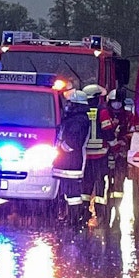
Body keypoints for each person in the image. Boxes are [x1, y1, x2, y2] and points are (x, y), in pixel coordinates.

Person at [54, 89, 93, 223]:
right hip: (66, 162)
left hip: (71, 162)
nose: (67, 105)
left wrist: (60, 147)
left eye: (70, 103)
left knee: (73, 193)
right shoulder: (74, 119)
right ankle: (70, 217)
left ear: (76, 104)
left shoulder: (79, 120)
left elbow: (72, 142)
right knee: (68, 192)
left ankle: (74, 219)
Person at [79, 85, 110, 210]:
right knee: (100, 183)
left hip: (85, 155)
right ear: (96, 97)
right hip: (100, 155)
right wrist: (114, 144)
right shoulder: (102, 111)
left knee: (86, 183)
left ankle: (83, 211)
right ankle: (100, 212)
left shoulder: (82, 111)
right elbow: (107, 130)